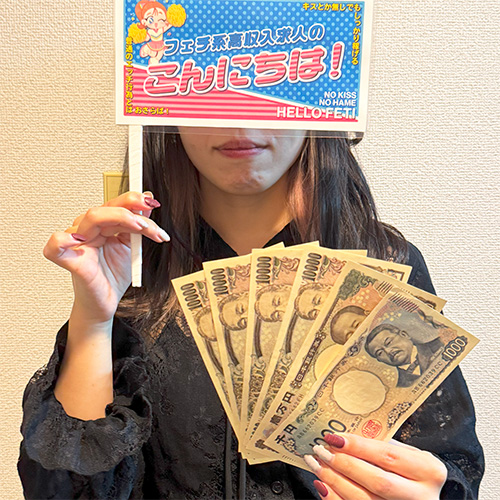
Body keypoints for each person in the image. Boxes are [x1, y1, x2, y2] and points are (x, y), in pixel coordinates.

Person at [18, 127, 484, 499]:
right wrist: (94, 319)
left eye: (270, 87)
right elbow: (64, 491)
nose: (239, 120)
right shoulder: (129, 267)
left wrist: (429, 490)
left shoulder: (383, 265)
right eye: (214, 88)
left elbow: (450, 464)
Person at [365, 323, 445, 388]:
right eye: (380, 353)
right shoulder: (400, 387)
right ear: (379, 360)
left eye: (388, 342)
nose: (388, 351)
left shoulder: (442, 344)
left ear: (404, 334)